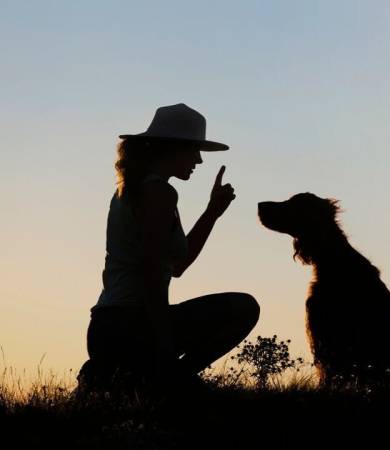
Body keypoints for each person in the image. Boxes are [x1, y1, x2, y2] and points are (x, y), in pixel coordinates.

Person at [78, 103, 260, 393]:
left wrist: (212, 211)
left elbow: (177, 267)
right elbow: (152, 275)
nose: (199, 160)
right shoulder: (158, 192)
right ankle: (166, 378)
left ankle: (132, 376)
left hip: (112, 327)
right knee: (243, 307)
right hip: (131, 325)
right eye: (194, 150)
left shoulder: (137, 189)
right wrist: (164, 348)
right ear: (171, 148)